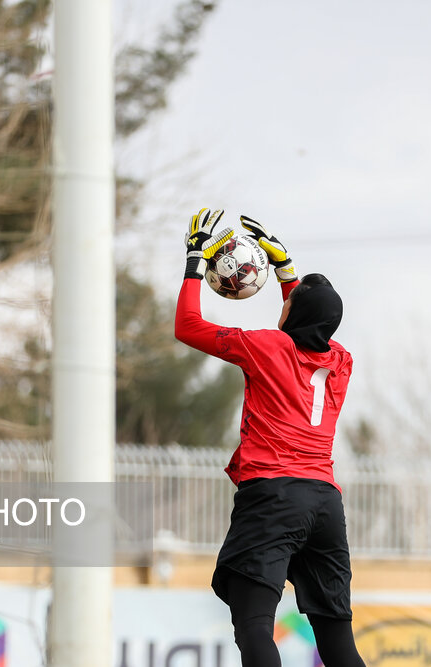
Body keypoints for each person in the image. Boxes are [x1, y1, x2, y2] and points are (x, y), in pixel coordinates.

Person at [175, 208, 365, 667]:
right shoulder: (341, 360)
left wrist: (195, 262)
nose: (285, 303)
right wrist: (286, 273)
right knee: (338, 641)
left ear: (295, 314)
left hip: (275, 495)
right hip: (324, 503)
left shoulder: (267, 347)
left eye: (290, 300)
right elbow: (305, 319)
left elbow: (187, 326)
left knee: (254, 625)